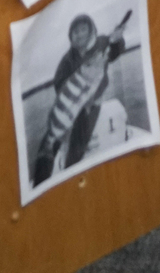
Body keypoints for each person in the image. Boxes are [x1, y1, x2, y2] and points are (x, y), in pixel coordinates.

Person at [30, 13, 126, 184]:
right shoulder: (66, 60)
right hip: (69, 106)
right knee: (50, 137)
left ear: (91, 30)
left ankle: (69, 175)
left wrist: (118, 39)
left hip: (92, 104)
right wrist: (71, 103)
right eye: (75, 31)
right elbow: (59, 84)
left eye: (83, 29)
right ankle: (40, 183)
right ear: (70, 36)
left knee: (78, 142)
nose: (80, 34)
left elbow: (115, 51)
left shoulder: (101, 43)